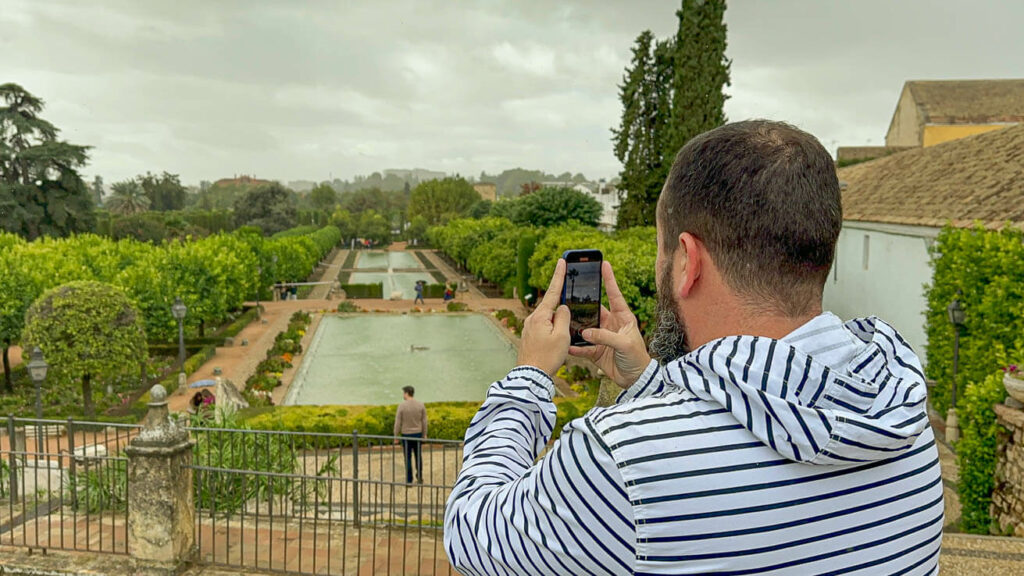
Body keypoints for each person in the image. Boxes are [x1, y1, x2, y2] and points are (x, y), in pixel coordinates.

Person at [444, 120, 943, 575]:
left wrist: (529, 376)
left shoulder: (622, 460)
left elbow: (471, 532)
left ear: (687, 261)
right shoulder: (904, 417)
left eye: (663, 249)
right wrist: (649, 383)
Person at [394, 385, 427, 484]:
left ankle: (409, 480)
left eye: (404, 393)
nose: (403, 395)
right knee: (418, 456)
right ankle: (420, 477)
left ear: (407, 393)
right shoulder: (420, 405)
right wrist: (424, 434)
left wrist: (396, 436)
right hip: (417, 434)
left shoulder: (402, 406)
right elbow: (424, 421)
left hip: (406, 435)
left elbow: (398, 422)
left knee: (407, 458)